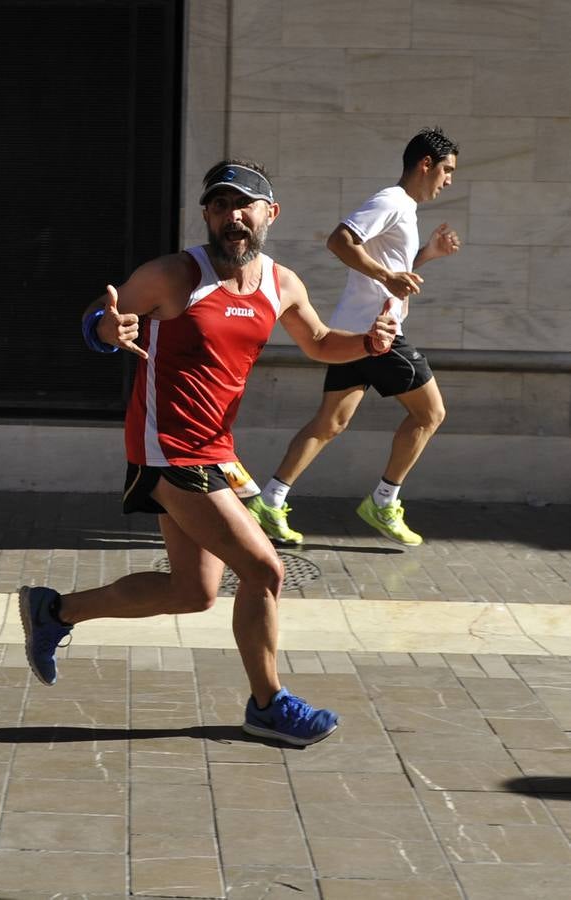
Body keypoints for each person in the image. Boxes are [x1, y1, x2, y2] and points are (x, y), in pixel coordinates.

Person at [23, 159, 396, 746]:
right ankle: (268, 705)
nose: (232, 217)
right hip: (167, 449)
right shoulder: (175, 275)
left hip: (215, 451)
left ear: (270, 214)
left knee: (193, 593)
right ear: (208, 215)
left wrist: (369, 344)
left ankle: (55, 611)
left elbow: (320, 342)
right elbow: (100, 313)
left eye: (245, 205)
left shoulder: (281, 283)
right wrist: (106, 331)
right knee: (265, 570)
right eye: (220, 206)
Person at [248, 128, 460, 547]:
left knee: (330, 422)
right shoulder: (392, 201)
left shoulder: (405, 209)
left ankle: (270, 501)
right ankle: (384, 501)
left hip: (355, 330)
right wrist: (387, 276)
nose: (449, 179)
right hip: (377, 334)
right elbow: (339, 240)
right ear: (425, 164)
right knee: (430, 414)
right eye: (447, 170)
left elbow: (392, 270)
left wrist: (425, 257)